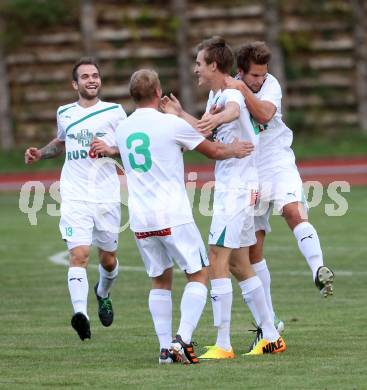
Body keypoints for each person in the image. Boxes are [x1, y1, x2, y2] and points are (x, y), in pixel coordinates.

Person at [115, 68, 255, 364]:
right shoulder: (169, 124)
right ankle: (183, 339)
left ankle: (165, 349)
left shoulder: (123, 129)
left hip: (139, 217)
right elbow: (212, 150)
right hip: (171, 213)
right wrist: (235, 149)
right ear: (157, 92)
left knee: (160, 280)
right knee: (199, 273)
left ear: (132, 96)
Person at [161, 36, 286, 358]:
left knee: (216, 256)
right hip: (239, 185)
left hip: (239, 187)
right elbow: (207, 135)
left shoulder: (230, 90)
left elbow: (231, 111)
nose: (196, 70)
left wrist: (218, 117)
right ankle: (271, 335)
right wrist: (180, 115)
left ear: (214, 65)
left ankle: (223, 343)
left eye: (199, 64)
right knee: (239, 264)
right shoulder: (217, 93)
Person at [224, 41, 335, 338]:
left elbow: (263, 114)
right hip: (249, 170)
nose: (260, 80)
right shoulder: (227, 91)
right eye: (254, 76)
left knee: (293, 211)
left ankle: (318, 270)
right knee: (254, 246)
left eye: (263, 75)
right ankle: (269, 320)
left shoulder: (270, 85)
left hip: (277, 163)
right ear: (240, 71)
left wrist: (242, 89)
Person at [24, 58, 127, 341]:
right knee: (79, 255)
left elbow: (130, 145)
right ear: (75, 84)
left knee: (108, 260)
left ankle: (102, 292)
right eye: (85, 77)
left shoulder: (115, 112)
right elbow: (61, 142)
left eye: (95, 75)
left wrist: (111, 149)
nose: (91, 80)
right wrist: (40, 153)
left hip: (106, 195)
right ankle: (80, 314)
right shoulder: (65, 112)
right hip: (74, 194)